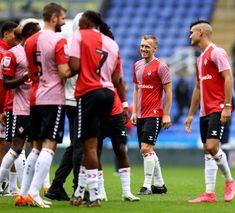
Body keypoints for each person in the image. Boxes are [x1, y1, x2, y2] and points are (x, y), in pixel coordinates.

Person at [68, 10, 125, 207]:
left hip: (89, 93)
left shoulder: (79, 36)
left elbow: (74, 67)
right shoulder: (112, 43)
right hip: (109, 95)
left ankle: (93, 196)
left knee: (89, 146)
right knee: (90, 145)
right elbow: (118, 79)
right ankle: (79, 192)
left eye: (81, 22)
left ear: (86, 23)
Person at [22, 3, 71, 208]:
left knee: (35, 146)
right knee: (50, 144)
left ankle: (23, 194)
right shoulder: (59, 40)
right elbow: (63, 72)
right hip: (53, 97)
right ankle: (34, 192)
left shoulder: (29, 41)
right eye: (62, 18)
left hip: (34, 97)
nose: (64, 22)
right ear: (53, 17)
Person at [185, 20, 235, 203]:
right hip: (204, 112)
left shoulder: (217, 52)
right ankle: (209, 193)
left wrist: (227, 106)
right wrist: (190, 114)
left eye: (192, 32)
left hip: (217, 109)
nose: (189, 36)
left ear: (201, 32)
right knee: (207, 152)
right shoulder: (199, 60)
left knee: (212, 147)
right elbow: (198, 88)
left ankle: (230, 181)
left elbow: (228, 78)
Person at [44, 12, 83, 202]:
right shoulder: (81, 48)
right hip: (78, 100)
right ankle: (78, 189)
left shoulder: (67, 45)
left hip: (68, 100)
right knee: (79, 146)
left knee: (76, 144)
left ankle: (56, 186)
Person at [0, 19, 40, 203]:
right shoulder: (12, 54)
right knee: (16, 148)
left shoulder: (38, 53)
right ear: (29, 33)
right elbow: (6, 84)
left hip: (38, 108)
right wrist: (25, 76)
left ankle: (28, 192)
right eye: (37, 32)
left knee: (36, 149)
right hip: (20, 109)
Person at [131, 35, 172, 195]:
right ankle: (160, 185)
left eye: (147, 46)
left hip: (154, 113)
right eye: (142, 46)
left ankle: (147, 186)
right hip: (140, 114)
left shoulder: (161, 66)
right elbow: (136, 89)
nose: (143, 49)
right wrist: (134, 111)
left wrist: (166, 114)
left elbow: (168, 91)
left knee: (145, 148)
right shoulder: (137, 65)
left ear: (155, 49)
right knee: (148, 150)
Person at [0, 21, 18, 194]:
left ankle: (11, 186)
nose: (17, 36)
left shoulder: (11, 52)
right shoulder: (3, 53)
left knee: (14, 145)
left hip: (9, 104)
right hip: (3, 105)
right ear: (6, 34)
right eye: (14, 33)